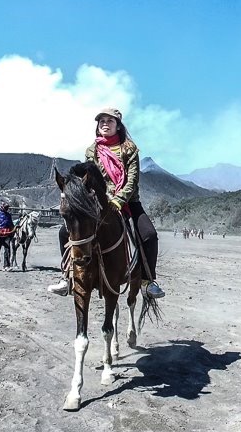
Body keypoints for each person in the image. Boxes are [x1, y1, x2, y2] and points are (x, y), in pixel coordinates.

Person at [48, 108, 165, 299]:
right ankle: (66, 277)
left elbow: (133, 179)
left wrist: (119, 199)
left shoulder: (129, 149)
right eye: (101, 120)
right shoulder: (91, 150)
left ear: (118, 125)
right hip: (99, 201)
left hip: (127, 201)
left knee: (149, 235)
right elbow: (89, 177)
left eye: (110, 120)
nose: (105, 123)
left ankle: (147, 280)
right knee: (64, 232)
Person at [0, 202, 15, 270]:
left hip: (7, 235)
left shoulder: (8, 215)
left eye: (7, 207)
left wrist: (14, 229)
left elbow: (11, 224)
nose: (7, 209)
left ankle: (6, 266)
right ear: (2, 207)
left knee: (7, 251)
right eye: (5, 207)